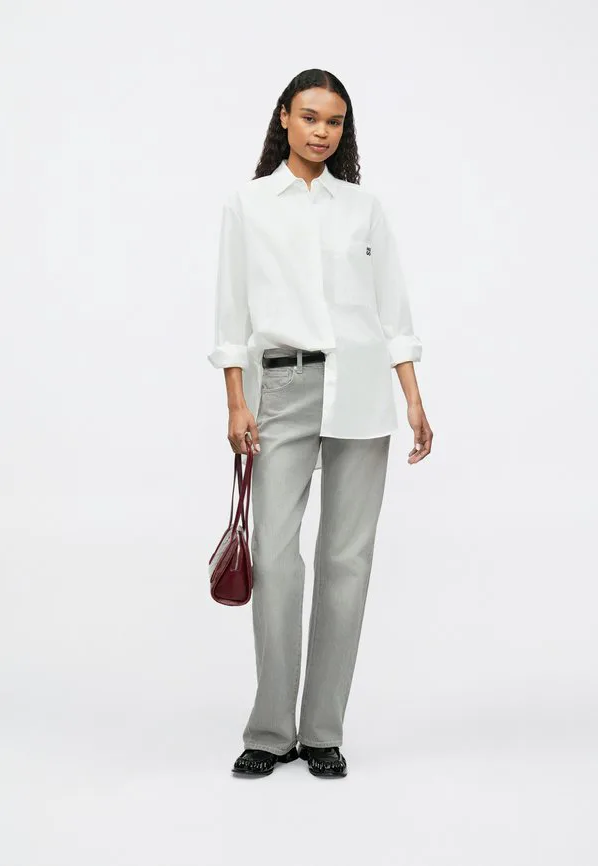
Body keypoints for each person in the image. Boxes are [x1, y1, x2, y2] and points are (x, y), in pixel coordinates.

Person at [207, 68, 433, 778]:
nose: (321, 131)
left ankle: (323, 731)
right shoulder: (247, 204)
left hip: (362, 387)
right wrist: (236, 401)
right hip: (282, 385)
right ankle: (271, 730)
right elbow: (231, 316)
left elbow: (392, 310)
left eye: (333, 121)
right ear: (284, 117)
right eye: (309, 117)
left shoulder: (364, 208)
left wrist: (414, 398)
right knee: (275, 558)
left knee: (346, 561)